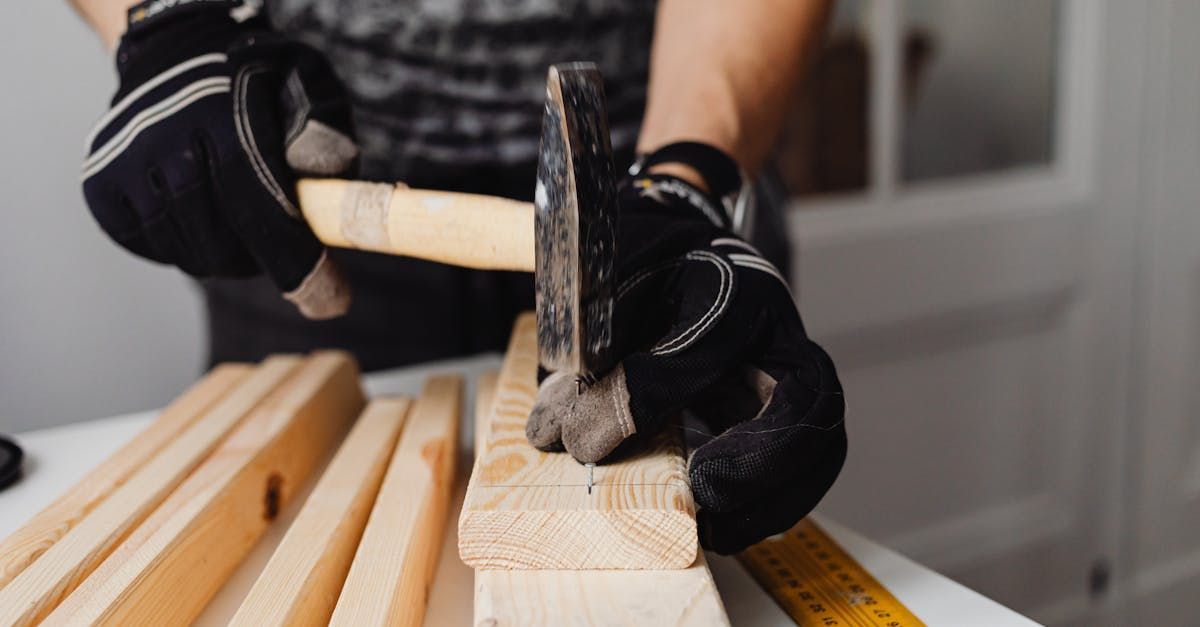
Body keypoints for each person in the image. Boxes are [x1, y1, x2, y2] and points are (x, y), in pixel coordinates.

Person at [70, 0, 847, 554]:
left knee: (677, 537)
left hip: (654, 175)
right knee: (279, 549)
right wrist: (165, 24)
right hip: (313, 174)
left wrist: (690, 174)